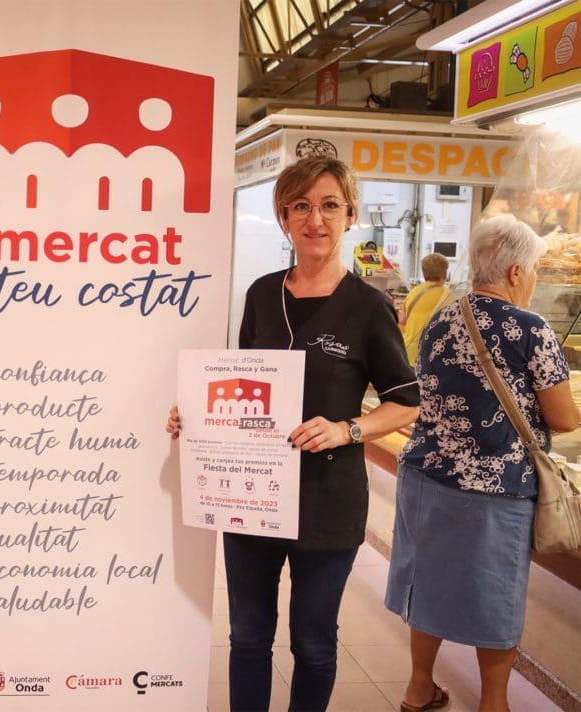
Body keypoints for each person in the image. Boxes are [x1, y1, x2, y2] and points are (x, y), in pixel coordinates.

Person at [166, 155, 419, 712]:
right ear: (283, 217)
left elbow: (406, 403)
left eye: (329, 205)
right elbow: (241, 382)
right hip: (251, 499)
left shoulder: (368, 307)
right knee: (247, 638)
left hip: (326, 503)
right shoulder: (261, 295)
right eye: (300, 206)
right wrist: (198, 418)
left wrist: (347, 429)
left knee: (313, 643)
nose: (315, 219)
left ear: (350, 215)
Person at [386, 214, 580, 712]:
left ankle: (418, 687)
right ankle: (494, 702)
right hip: (496, 489)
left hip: (425, 475)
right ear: (515, 272)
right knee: (496, 597)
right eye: (533, 270)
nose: (533, 278)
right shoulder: (531, 328)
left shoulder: (441, 319)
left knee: (428, 584)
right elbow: (565, 418)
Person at [399, 253, 452, 364]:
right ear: (445, 273)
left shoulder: (413, 292)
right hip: (432, 355)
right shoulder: (449, 296)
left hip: (408, 352)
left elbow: (402, 320)